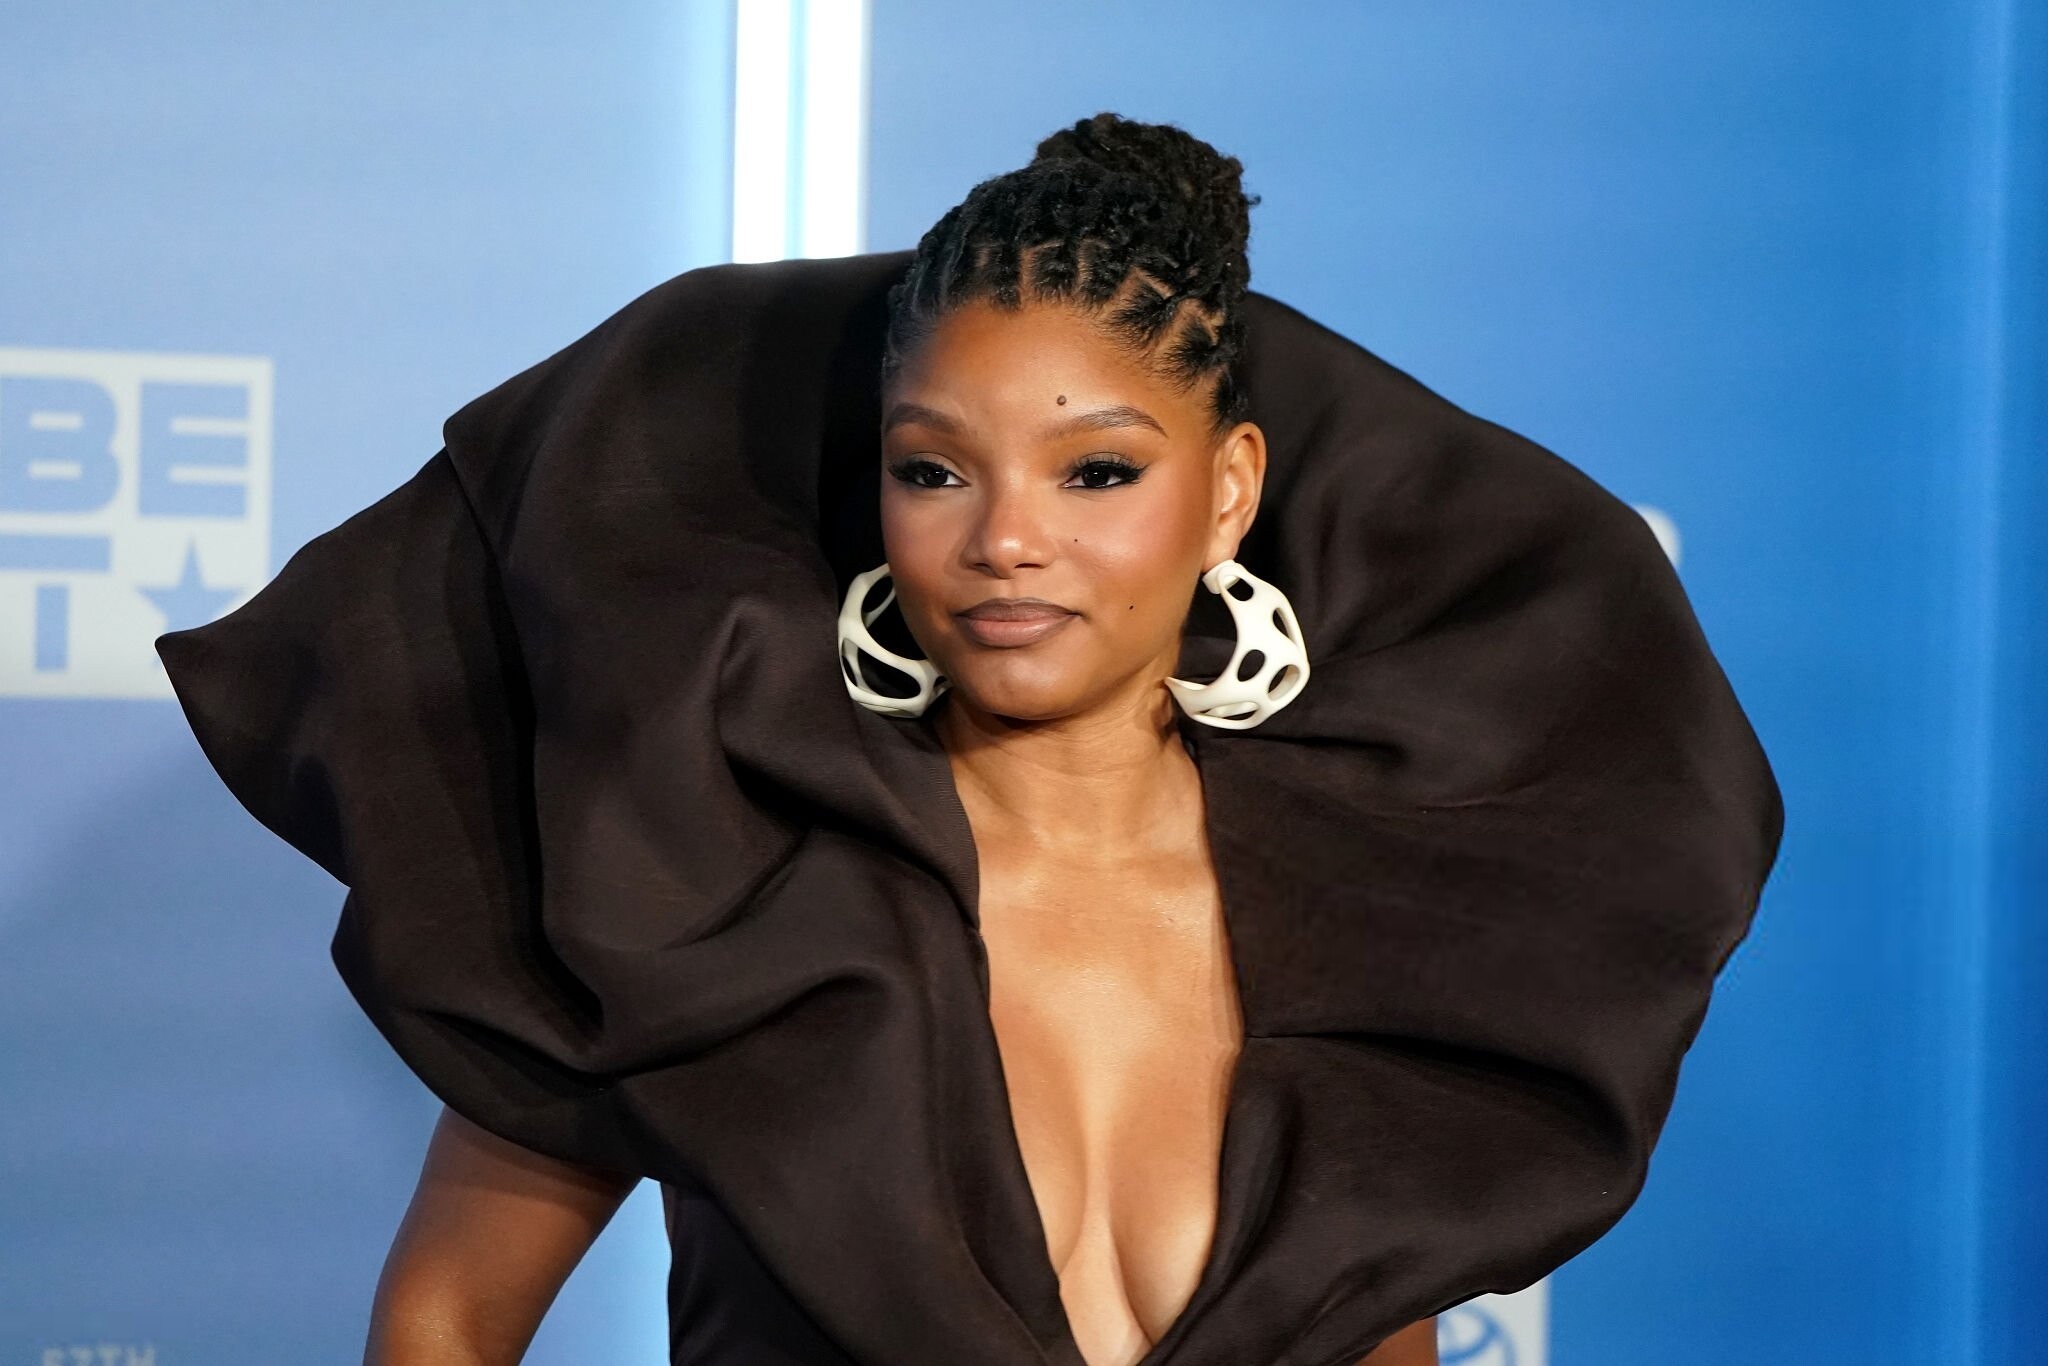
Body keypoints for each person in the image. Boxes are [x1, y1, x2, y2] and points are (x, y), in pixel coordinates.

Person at [158, 114, 1783, 1366]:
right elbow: (445, 1320)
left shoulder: (1379, 912)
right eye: (934, 469)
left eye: (1098, 472)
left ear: (1229, 491)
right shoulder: (702, 864)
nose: (1006, 539)